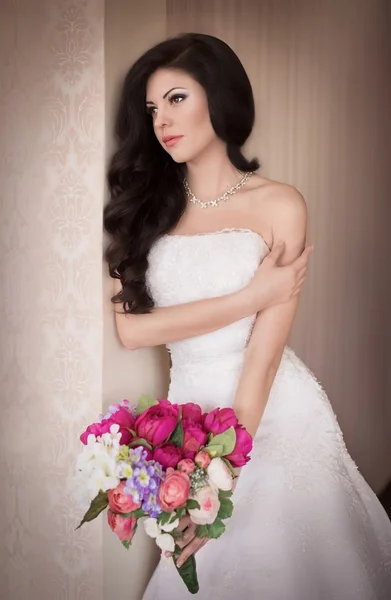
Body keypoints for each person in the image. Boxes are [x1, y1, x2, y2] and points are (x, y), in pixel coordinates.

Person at [103, 32, 391, 600]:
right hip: (188, 413)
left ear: (220, 95)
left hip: (274, 414)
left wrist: (219, 481)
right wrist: (249, 297)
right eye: (153, 108)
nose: (162, 120)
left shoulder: (281, 203)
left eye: (178, 99)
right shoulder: (144, 205)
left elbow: (261, 359)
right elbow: (131, 331)